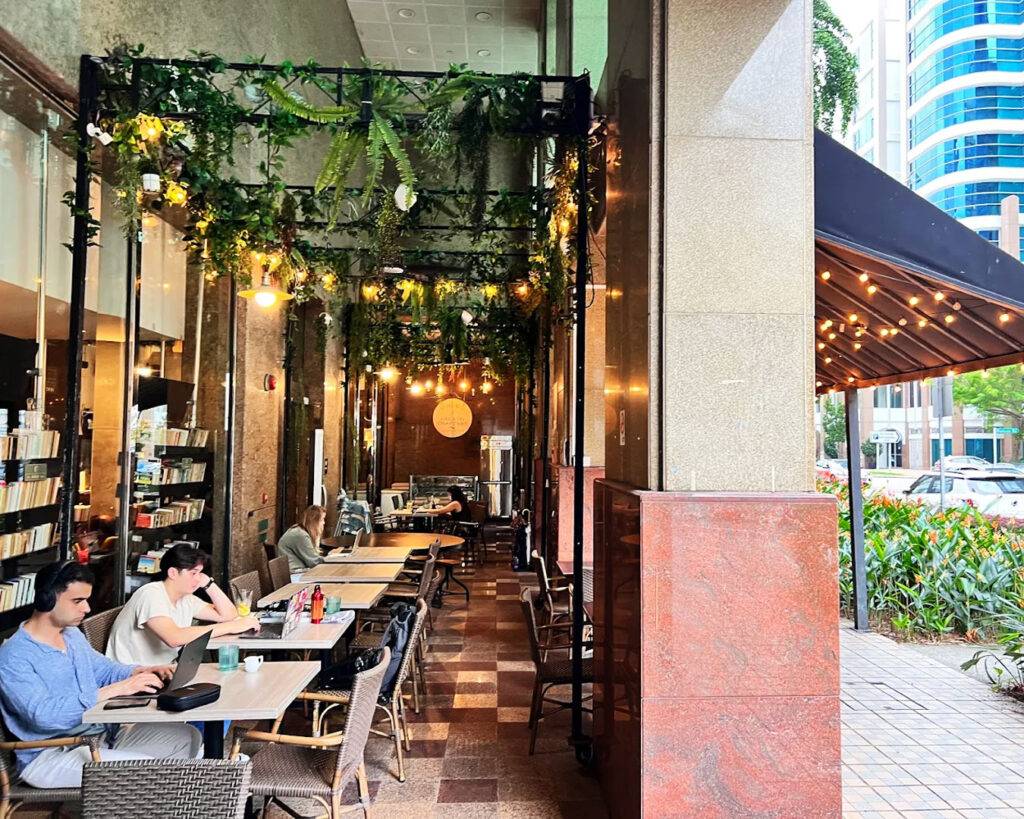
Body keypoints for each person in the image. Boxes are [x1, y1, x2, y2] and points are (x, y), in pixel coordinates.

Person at [0, 561, 202, 789]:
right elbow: (43, 715)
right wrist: (115, 690)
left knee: (187, 737)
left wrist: (141, 670)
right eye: (77, 601)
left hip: (99, 737)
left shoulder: (71, 635)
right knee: (152, 773)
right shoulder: (13, 656)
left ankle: (149, 801)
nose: (86, 608)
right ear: (47, 599)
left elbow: (103, 670)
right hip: (51, 755)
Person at [106, 543, 260, 667]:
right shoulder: (151, 594)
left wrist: (208, 583)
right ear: (173, 573)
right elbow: (174, 637)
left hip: (164, 669)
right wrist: (232, 627)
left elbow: (228, 615)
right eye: (193, 573)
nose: (198, 579)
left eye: (200, 573)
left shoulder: (185, 598)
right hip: (133, 675)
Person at [277, 505, 343, 580]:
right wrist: (335, 561)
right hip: (294, 575)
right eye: (322, 519)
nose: (324, 523)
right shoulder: (300, 535)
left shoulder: (300, 531)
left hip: (300, 572)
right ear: (314, 521)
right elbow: (314, 562)